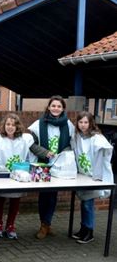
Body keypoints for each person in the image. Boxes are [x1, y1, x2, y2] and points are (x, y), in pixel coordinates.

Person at [28, 95, 75, 239]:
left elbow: (71, 144)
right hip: (43, 165)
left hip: (59, 165)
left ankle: (46, 224)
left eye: (59, 106)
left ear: (63, 109)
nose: (56, 108)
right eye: (53, 106)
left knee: (53, 196)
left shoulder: (69, 125)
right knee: (44, 196)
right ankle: (44, 224)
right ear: (48, 107)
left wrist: (62, 154)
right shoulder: (38, 124)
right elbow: (31, 144)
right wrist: (45, 152)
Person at [0, 113, 34, 239]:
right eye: (8, 124)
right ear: (4, 125)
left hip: (17, 176)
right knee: (0, 200)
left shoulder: (24, 140)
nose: (10, 127)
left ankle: (10, 226)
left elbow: (28, 157)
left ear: (17, 126)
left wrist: (27, 171)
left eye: (13, 125)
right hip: (1, 175)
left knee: (15, 200)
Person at [71, 111, 114, 244]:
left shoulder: (97, 138)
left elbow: (105, 152)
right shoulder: (77, 136)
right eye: (80, 122)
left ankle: (89, 232)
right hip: (83, 175)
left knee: (88, 204)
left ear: (90, 123)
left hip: (94, 176)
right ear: (77, 123)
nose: (83, 125)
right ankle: (84, 228)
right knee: (84, 203)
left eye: (86, 122)